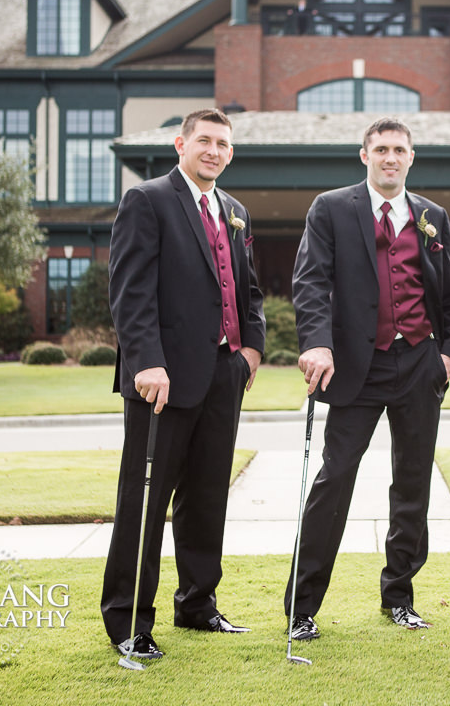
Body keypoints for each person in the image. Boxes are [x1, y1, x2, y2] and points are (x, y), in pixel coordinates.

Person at [285, 117, 450, 641]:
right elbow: (311, 281)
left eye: (400, 150)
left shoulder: (433, 216)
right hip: (354, 368)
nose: (391, 157)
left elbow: (449, 296)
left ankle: (400, 598)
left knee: (412, 484)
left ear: (412, 158)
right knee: (334, 479)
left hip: (418, 365)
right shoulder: (331, 208)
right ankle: (302, 607)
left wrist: (448, 355)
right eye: (381, 149)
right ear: (364, 156)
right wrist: (316, 343)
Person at [102, 107, 266, 660]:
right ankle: (129, 624)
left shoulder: (235, 210)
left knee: (206, 499)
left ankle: (197, 605)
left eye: (222, 143)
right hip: (162, 382)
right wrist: (146, 361)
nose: (213, 151)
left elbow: (250, 291)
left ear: (231, 152)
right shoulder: (147, 200)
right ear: (180, 144)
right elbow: (131, 291)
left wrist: (250, 351)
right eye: (204, 141)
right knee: (144, 503)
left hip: (223, 377)